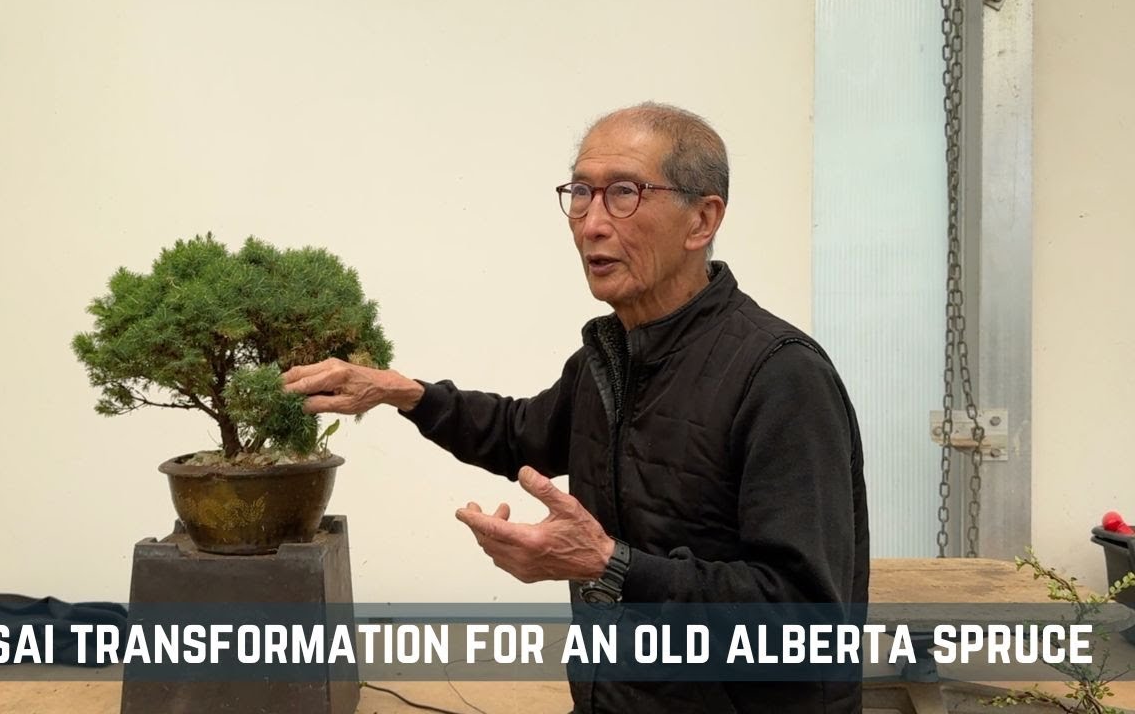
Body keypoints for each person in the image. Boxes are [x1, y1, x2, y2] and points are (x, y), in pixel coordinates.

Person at [283, 102, 869, 713]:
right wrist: (402, 392)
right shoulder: (608, 360)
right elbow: (519, 434)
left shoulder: (781, 376)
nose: (591, 224)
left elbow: (805, 622)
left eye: (624, 193)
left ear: (702, 219)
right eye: (581, 194)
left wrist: (608, 564)